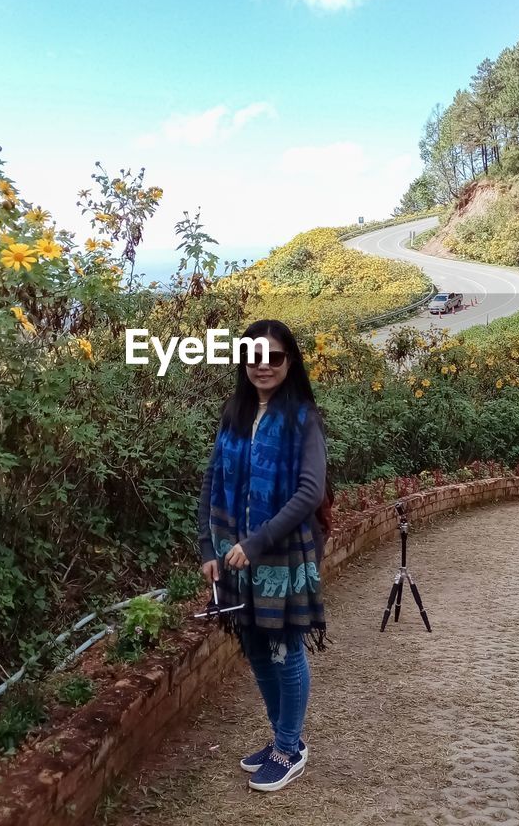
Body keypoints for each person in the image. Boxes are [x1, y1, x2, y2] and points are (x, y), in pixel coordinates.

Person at [197, 318, 328, 793]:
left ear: (289, 362)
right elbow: (211, 482)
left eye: (273, 357)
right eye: (253, 356)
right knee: (254, 647)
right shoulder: (235, 411)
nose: (262, 366)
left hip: (279, 556)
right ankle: (281, 739)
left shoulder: (302, 418)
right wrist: (207, 547)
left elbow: (309, 492)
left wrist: (254, 544)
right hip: (233, 555)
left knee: (283, 648)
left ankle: (289, 749)